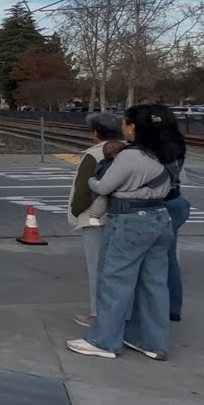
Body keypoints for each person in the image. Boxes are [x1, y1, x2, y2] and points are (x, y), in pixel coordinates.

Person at [67, 104, 174, 360]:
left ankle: (103, 341)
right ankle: (153, 342)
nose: (123, 127)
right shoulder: (164, 151)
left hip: (129, 221)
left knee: (114, 281)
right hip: (159, 218)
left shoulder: (129, 155)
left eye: (126, 122)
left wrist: (94, 182)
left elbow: (104, 186)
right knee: (154, 284)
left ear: (133, 127)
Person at [66, 113, 126, 328]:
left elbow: (83, 190)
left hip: (95, 218)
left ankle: (96, 313)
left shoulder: (94, 155)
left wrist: (74, 214)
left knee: (97, 267)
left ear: (95, 134)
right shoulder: (132, 151)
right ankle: (124, 313)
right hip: (125, 216)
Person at [153, 105, 190, 322]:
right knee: (169, 258)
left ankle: (154, 308)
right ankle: (172, 307)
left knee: (151, 260)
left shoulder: (154, 147)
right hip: (176, 201)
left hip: (159, 204)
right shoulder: (177, 142)